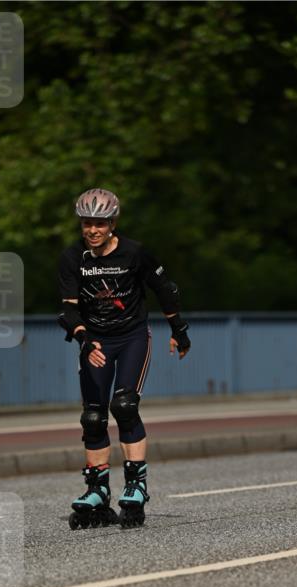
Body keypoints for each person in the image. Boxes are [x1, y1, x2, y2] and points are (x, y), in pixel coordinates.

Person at [58, 188, 191, 528]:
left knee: (125, 405)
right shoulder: (73, 258)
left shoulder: (134, 253)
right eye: (87, 223)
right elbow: (69, 312)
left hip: (132, 337)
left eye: (100, 224)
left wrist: (178, 330)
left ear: (112, 223)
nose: (92, 230)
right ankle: (97, 490)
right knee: (92, 417)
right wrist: (84, 339)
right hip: (96, 342)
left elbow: (166, 290)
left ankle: (136, 486)